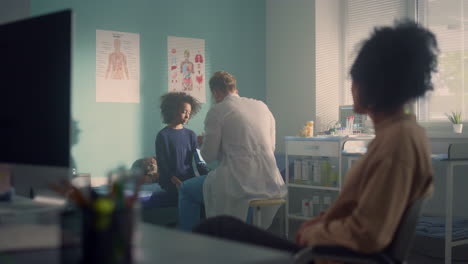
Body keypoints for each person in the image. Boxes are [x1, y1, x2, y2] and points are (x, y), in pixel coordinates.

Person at [193, 20, 437, 262]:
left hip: (326, 255)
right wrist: (323, 220)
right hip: (329, 248)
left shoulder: (397, 144)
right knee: (222, 228)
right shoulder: (402, 134)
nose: (352, 86)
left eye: (355, 78)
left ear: (374, 84)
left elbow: (369, 234)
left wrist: (315, 232)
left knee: (218, 229)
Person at [176, 71, 287, 231]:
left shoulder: (218, 110)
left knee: (186, 189)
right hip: (271, 182)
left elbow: (208, 156)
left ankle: (191, 241)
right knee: (245, 201)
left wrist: (204, 142)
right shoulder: (261, 106)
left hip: (239, 182)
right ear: (234, 88)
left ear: (215, 92)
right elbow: (271, 146)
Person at [154, 92, 209, 206]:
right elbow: (163, 165)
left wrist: (208, 177)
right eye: (184, 112)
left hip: (188, 180)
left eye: (189, 113)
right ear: (173, 111)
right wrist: (175, 181)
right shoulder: (163, 135)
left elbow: (199, 161)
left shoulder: (191, 135)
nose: (187, 116)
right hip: (170, 181)